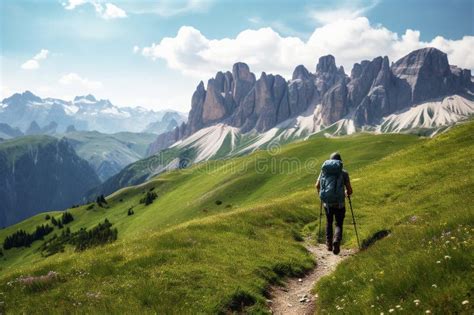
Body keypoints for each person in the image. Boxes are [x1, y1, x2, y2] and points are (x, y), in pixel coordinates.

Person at [315, 152, 352, 255]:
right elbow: (349, 190)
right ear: (340, 161)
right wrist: (346, 193)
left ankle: (329, 244)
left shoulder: (323, 172)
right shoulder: (344, 173)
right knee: (339, 224)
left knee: (329, 222)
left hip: (327, 203)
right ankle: (336, 241)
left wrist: (322, 196)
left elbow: (317, 185)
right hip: (340, 203)